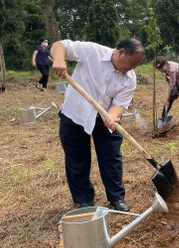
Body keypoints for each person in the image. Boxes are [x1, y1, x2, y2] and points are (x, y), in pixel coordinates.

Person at [51, 38, 145, 211]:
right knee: (77, 158)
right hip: (75, 115)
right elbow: (60, 46)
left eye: (135, 66)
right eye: (130, 63)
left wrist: (112, 116)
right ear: (121, 51)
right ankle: (84, 200)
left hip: (104, 119)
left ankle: (116, 198)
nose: (131, 69)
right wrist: (59, 60)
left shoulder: (130, 78)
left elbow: (119, 104)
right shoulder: (92, 52)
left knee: (111, 157)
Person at [154, 56, 179, 125]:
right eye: (159, 69)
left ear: (166, 64)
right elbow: (172, 81)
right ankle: (163, 118)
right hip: (177, 83)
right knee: (170, 100)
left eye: (161, 68)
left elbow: (171, 86)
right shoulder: (167, 65)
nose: (161, 70)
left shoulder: (171, 69)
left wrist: (167, 99)